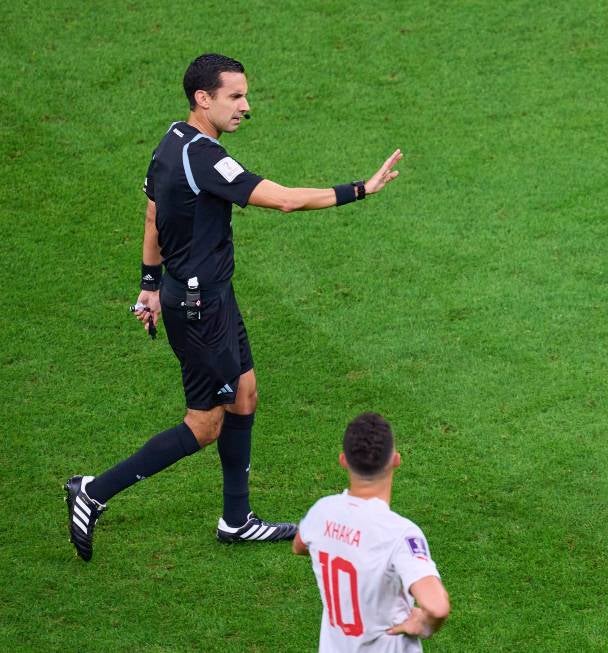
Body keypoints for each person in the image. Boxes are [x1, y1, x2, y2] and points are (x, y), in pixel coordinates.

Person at [65, 53, 403, 561]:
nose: (246, 106)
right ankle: (93, 491)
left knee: (245, 394)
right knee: (205, 423)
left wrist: (149, 284)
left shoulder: (170, 142)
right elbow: (284, 200)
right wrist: (361, 189)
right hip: (200, 308)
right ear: (204, 99)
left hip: (208, 296)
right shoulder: (206, 158)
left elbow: (155, 212)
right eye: (235, 96)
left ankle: (237, 521)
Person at [293, 412, 450, 652]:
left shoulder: (321, 512)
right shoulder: (400, 534)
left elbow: (300, 546)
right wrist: (424, 624)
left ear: (343, 460)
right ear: (396, 460)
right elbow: (436, 607)